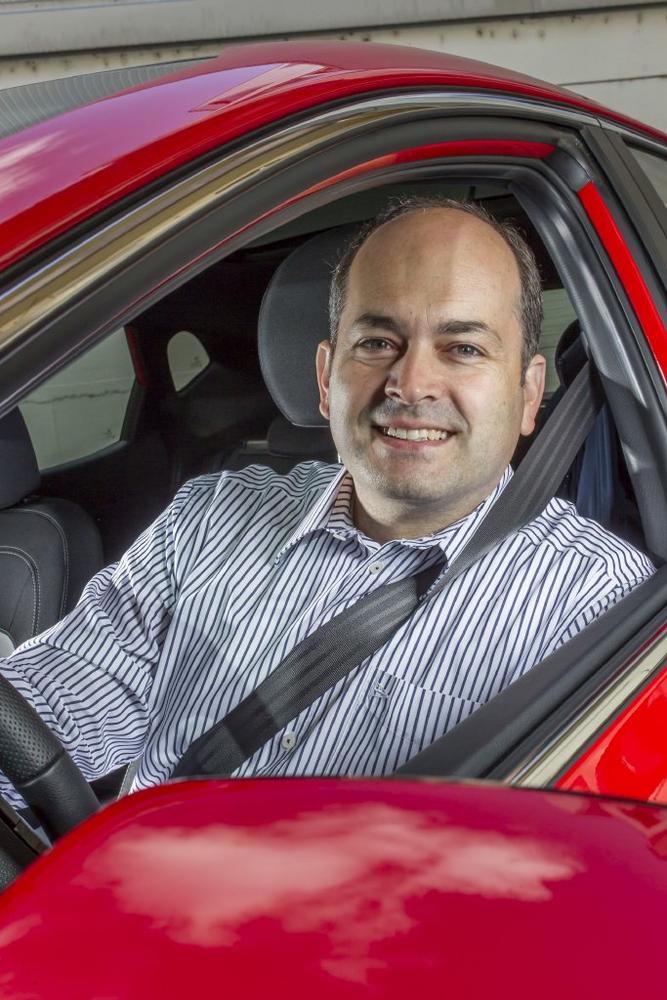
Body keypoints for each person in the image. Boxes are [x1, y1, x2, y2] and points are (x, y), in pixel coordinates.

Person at [0, 197, 654, 803]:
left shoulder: (595, 601)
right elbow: (51, 709)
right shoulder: (206, 518)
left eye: (462, 348)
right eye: (376, 344)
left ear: (528, 393)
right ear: (324, 377)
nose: (411, 383)